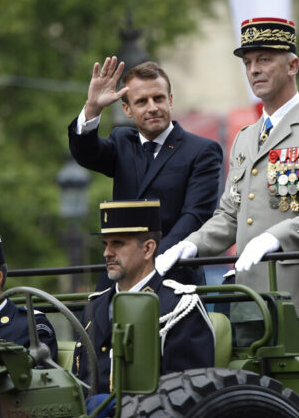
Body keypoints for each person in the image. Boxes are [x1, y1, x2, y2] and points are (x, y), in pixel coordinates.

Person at [156, 17, 299, 362]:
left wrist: (275, 238)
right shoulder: (248, 137)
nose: (254, 70)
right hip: (247, 297)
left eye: (264, 59)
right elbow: (230, 213)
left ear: (292, 65)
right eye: (248, 62)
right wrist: (190, 244)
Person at [68, 58, 223, 288]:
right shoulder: (122, 141)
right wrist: (93, 107)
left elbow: (195, 216)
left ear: (170, 100)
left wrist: (147, 262)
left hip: (172, 274)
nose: (152, 107)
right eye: (141, 101)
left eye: (158, 98)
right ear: (127, 109)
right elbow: (86, 154)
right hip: (119, 277)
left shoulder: (201, 150)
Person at [72, 200, 214, 399]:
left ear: (148, 249)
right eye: (105, 244)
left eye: (118, 244)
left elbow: (188, 395)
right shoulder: (95, 307)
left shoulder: (178, 307)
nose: (107, 253)